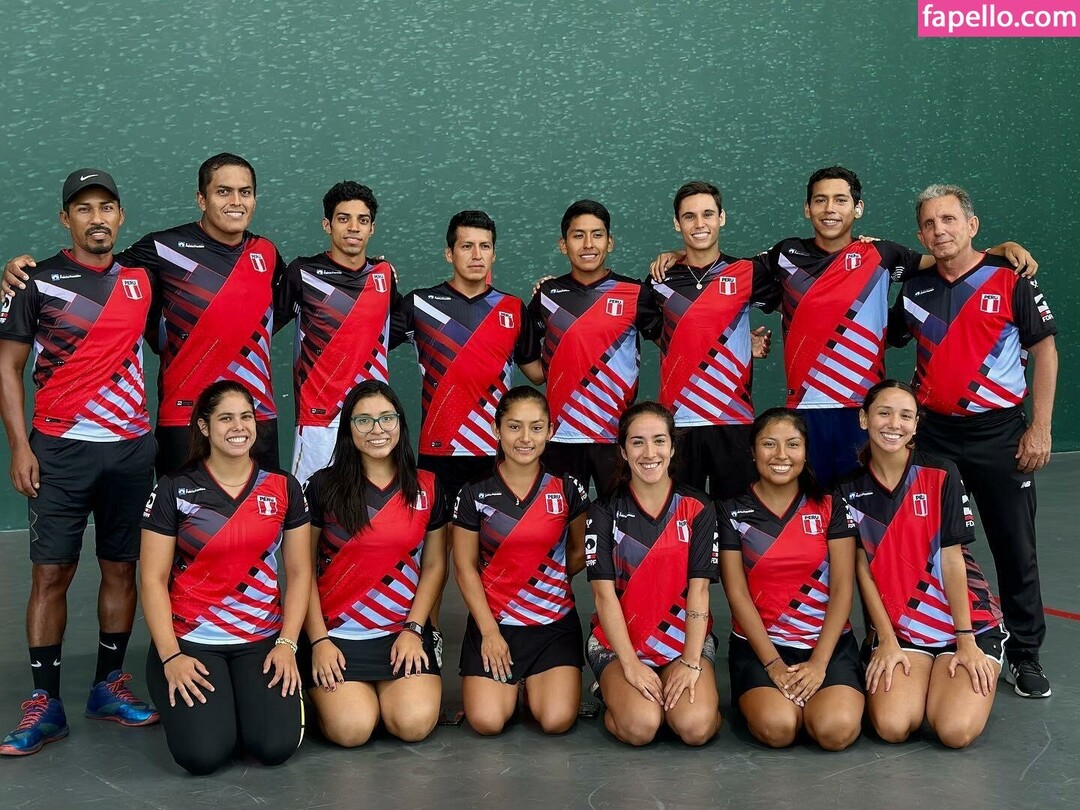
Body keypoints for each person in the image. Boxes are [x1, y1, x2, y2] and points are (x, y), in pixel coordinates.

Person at [649, 166, 1037, 485]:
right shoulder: (785, 255)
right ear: (807, 209)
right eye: (820, 200)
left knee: (864, 514)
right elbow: (721, 277)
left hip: (862, 411)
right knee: (815, 514)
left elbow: (946, 256)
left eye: (840, 200)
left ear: (858, 208)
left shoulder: (881, 253)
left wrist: (998, 251)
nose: (830, 209)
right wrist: (681, 254)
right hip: (805, 411)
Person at [0, 169, 159, 757]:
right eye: (84, 208)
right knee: (51, 574)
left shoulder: (143, 277)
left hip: (131, 450)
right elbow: (7, 367)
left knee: (121, 568)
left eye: (107, 207)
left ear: (120, 216)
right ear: (65, 219)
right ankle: (44, 702)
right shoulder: (35, 281)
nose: (97, 218)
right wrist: (20, 447)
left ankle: (107, 686)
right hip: (59, 451)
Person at [3, 153, 289, 475]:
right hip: (185, 418)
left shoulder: (266, 252)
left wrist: (234, 338)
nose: (235, 201)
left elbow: (276, 312)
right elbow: (95, 272)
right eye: (223, 191)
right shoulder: (162, 248)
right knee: (181, 508)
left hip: (257, 415)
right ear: (201, 199)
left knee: (261, 505)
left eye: (245, 192)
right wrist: (19, 272)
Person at [888, 184, 1058, 698]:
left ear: (972, 225)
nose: (940, 230)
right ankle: (937, 637)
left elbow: (1045, 351)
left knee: (1015, 545)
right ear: (920, 236)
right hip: (933, 435)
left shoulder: (1010, 278)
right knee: (931, 544)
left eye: (949, 220)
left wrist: (1040, 427)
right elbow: (884, 335)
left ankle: (1024, 654)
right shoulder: (914, 288)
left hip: (999, 435)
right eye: (929, 224)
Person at [140, 381, 311, 775]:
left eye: (246, 417)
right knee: (203, 756)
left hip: (262, 639)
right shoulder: (174, 489)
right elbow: (151, 579)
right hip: (192, 641)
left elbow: (300, 572)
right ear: (204, 426)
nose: (239, 427)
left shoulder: (283, 487)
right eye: (226, 418)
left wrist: (287, 644)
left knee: (274, 747)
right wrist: (171, 657)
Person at [392, 211, 543, 645]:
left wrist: (553, 302)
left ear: (494, 253)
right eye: (466, 246)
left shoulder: (513, 309)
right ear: (449, 253)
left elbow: (538, 373)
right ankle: (429, 636)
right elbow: (368, 337)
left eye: (484, 246)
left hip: (495, 456)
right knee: (433, 555)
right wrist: (373, 279)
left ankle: (499, 637)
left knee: (496, 554)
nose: (476, 255)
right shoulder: (419, 304)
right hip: (438, 454)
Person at [837, 380, 1008, 747]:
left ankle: (959, 668)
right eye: (884, 413)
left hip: (968, 624)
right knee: (892, 727)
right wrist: (886, 639)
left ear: (915, 425)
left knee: (954, 731)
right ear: (864, 418)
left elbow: (952, 559)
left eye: (905, 416)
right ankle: (920, 676)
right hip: (904, 629)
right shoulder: (847, 491)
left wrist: (965, 640)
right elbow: (862, 570)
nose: (893, 424)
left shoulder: (941, 473)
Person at [301, 380, 446, 746]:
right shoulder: (322, 487)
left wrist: (414, 630)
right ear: (348, 429)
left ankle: (384, 695)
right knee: (352, 729)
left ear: (400, 422)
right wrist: (319, 641)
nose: (377, 429)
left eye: (386, 418)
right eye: (363, 420)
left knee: (413, 724)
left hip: (401, 632)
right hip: (338, 636)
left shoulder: (427, 485)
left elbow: (434, 567)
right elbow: (302, 571)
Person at [718, 408, 863, 751]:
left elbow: (842, 589)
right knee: (779, 728)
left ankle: (821, 697)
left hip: (827, 645)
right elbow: (737, 594)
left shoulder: (831, 505)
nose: (781, 455)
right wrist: (773, 665)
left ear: (806, 451)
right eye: (769, 444)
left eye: (793, 444)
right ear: (753, 451)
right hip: (761, 647)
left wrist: (819, 664)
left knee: (835, 731)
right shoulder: (730, 510)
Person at [452, 386, 589, 735]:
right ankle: (512, 686)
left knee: (556, 721)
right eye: (514, 427)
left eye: (536, 427)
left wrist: (543, 581)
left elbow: (578, 552)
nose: (525, 438)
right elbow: (465, 566)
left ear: (550, 431)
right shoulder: (474, 492)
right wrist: (488, 631)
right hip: (495, 624)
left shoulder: (567, 487)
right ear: (496, 429)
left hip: (553, 626)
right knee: (487, 722)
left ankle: (532, 685)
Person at [585, 401, 721, 746]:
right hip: (620, 644)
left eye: (659, 441)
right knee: (641, 727)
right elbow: (603, 596)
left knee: (696, 728)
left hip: (682, 642)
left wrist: (691, 661)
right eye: (637, 442)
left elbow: (699, 591)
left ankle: (674, 691)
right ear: (623, 450)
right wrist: (630, 665)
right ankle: (610, 689)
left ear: (672, 447)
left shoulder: (698, 507)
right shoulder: (604, 511)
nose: (650, 453)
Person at [649, 181, 775, 499]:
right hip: (678, 421)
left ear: (722, 217)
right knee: (680, 518)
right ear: (677, 223)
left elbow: (804, 298)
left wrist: (740, 341)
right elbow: (666, 334)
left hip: (733, 419)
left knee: (736, 518)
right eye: (689, 216)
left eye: (707, 214)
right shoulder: (659, 279)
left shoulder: (748, 272)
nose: (699, 224)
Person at [529, 200, 662, 495]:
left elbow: (675, 342)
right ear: (563, 244)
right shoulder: (547, 294)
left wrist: (743, 341)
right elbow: (528, 359)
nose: (588, 244)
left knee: (618, 517)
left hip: (615, 437)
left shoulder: (635, 293)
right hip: (560, 436)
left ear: (610, 242)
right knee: (561, 519)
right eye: (578, 235)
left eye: (597, 235)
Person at [275, 181, 402, 484]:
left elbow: (388, 333)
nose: (353, 227)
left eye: (362, 220)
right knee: (309, 509)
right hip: (318, 422)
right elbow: (265, 326)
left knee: (370, 506)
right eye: (343, 218)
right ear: (327, 225)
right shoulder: (302, 273)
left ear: (372, 228)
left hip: (372, 420)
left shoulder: (384, 275)